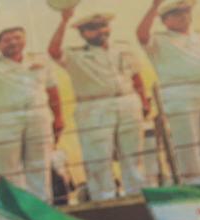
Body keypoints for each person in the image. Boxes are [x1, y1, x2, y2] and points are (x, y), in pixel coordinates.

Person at [48, 10, 151, 202]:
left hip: (127, 101)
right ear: (82, 33)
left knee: (133, 155)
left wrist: (143, 99)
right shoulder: (75, 55)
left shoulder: (123, 48)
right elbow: (53, 51)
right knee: (99, 159)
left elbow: (136, 75)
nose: (100, 31)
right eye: (93, 29)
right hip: (94, 106)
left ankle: (137, 196)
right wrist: (64, 20)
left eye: (103, 26)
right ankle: (105, 200)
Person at [0, 11, 63, 202]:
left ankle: (43, 210)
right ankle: (15, 212)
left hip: (38, 116)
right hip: (4, 120)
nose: (13, 42)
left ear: (24, 40)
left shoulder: (39, 60)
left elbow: (52, 89)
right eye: (7, 40)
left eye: (17, 37)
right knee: (7, 170)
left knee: (40, 166)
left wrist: (58, 117)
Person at [137, 0, 200, 184]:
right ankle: (194, 181)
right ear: (165, 20)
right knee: (187, 140)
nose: (184, 16)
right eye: (177, 14)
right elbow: (141, 35)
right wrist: (154, 7)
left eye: (186, 12)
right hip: (180, 90)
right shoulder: (159, 39)